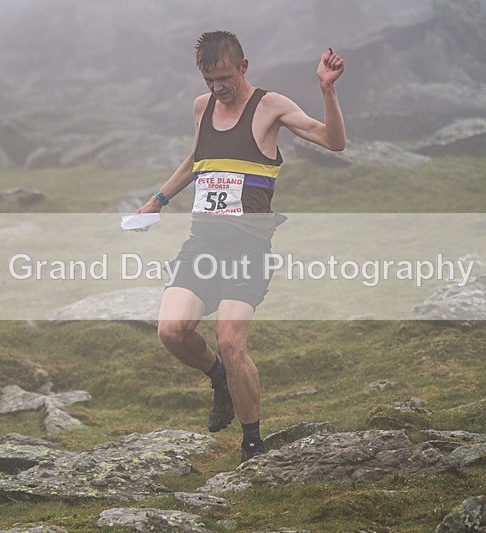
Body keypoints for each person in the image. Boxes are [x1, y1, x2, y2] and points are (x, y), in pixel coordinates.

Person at [135, 30, 345, 463]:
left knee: (231, 342)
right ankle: (218, 379)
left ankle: (252, 444)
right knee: (171, 331)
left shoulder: (271, 106)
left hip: (247, 250)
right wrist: (156, 201)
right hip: (202, 244)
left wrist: (326, 90)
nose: (218, 87)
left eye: (225, 77)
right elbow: (197, 161)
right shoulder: (202, 107)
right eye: (210, 79)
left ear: (244, 67)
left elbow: (333, 140)